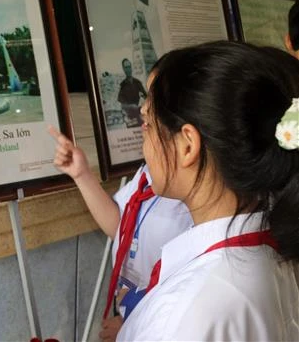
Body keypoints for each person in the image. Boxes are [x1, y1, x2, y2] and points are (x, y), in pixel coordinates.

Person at [118, 41, 299, 340]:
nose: (144, 139)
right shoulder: (276, 253)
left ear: (187, 145)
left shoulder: (182, 315)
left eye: (148, 123)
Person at [48, 63, 193, 341]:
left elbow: (184, 289)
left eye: (153, 98)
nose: (143, 109)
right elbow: (120, 225)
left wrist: (133, 325)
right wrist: (81, 174)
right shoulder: (149, 174)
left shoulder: (193, 197)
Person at [116, 58, 146, 127]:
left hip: (138, 115)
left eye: (129, 67)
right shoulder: (122, 85)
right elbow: (122, 103)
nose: (128, 69)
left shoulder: (137, 82)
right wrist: (132, 107)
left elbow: (146, 97)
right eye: (126, 67)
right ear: (123, 69)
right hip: (130, 118)